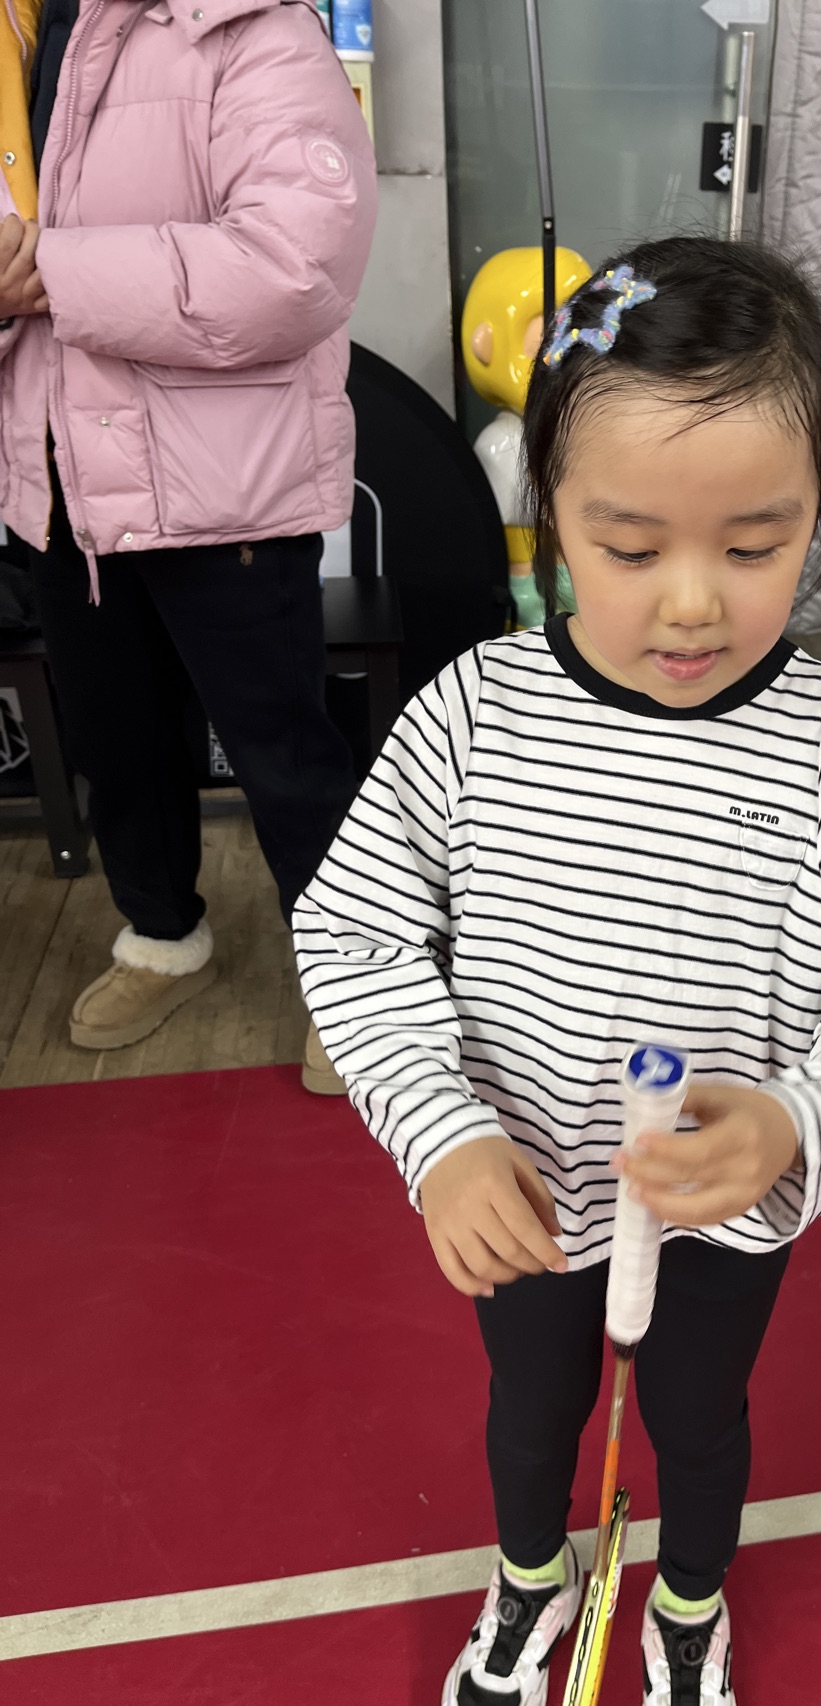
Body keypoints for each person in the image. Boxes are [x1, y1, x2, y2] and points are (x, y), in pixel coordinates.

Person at [294, 238, 821, 1704]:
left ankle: (687, 1601)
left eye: (752, 547)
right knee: (530, 1410)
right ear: (546, 510)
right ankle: (527, 1581)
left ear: (818, 516)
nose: (690, 605)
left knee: (696, 1417)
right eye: (628, 548)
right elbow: (352, 933)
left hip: (719, 1214)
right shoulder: (473, 712)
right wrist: (441, 1137)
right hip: (526, 1188)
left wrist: (795, 1115)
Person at [0, 0, 376, 1093]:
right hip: (61, 483)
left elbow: (293, 266)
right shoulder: (23, 36)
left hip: (228, 492)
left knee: (281, 750)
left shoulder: (254, 31)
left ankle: (359, 981)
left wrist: (49, 273)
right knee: (115, 740)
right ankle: (161, 935)